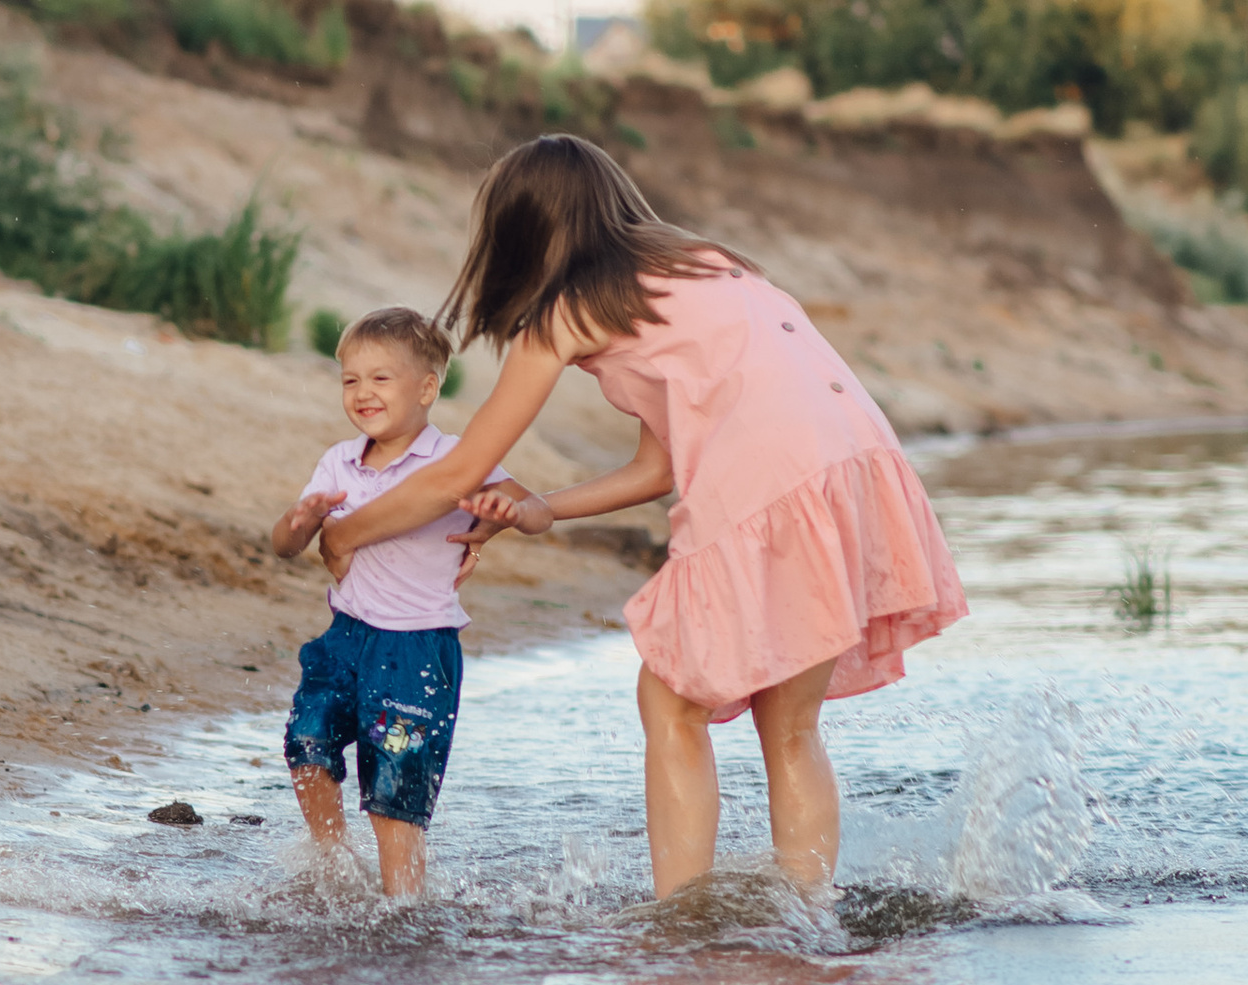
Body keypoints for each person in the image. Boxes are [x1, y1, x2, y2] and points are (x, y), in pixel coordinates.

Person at [315, 135, 966, 899]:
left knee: (669, 700)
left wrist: (346, 532)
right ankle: (809, 915)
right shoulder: (707, 266)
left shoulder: (565, 310)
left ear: (518, 233)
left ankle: (681, 917)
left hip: (769, 475)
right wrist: (539, 508)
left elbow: (459, 467)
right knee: (790, 726)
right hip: (854, 460)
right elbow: (658, 466)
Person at [271, 309, 476, 896]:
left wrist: (507, 517)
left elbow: (530, 507)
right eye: (350, 380)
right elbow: (285, 547)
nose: (362, 392)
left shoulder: (455, 459)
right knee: (306, 742)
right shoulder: (339, 460)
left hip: (417, 649)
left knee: (395, 788)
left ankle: (402, 906)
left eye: (381, 379)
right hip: (347, 635)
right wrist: (300, 521)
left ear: (428, 388)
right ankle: (332, 862)